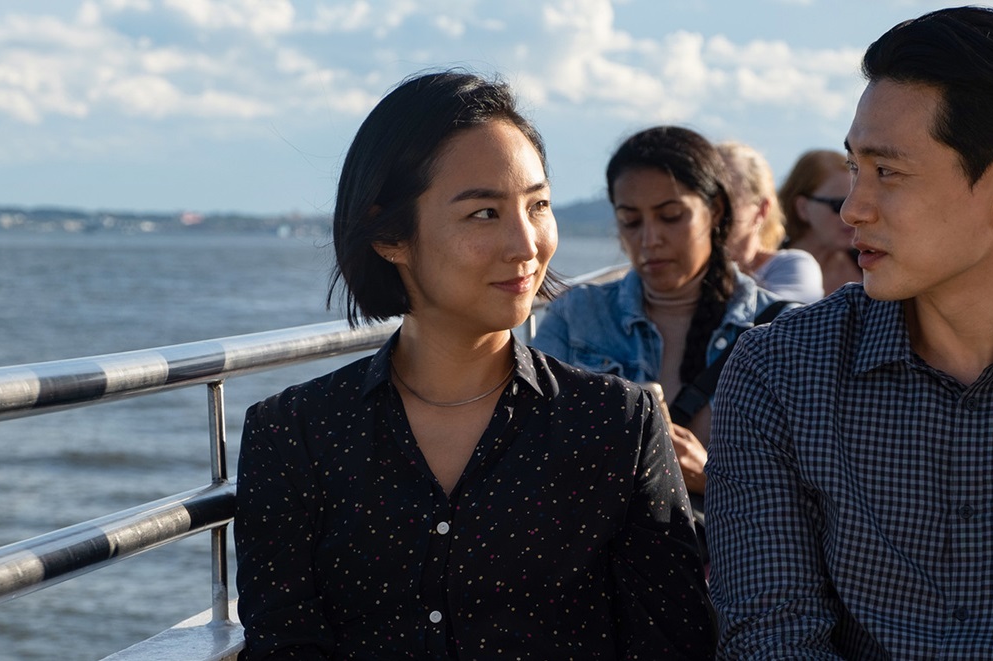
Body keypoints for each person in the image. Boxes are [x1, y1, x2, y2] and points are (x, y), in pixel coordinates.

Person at [707, 6, 993, 659]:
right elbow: (772, 637)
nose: (852, 208)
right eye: (853, 167)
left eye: (887, 171)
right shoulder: (778, 372)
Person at [233, 71, 714, 660]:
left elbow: (674, 643)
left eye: (538, 205)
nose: (526, 243)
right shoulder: (295, 435)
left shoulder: (616, 424)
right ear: (390, 234)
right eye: (484, 213)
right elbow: (285, 643)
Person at [531, 125, 783, 552]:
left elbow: (814, 495)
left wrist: (711, 476)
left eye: (671, 216)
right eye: (631, 221)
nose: (649, 239)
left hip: (727, 578)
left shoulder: (779, 329)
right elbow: (533, 453)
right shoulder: (577, 316)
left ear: (716, 211)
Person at [715, 141, 823, 302]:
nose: (711, 209)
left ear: (762, 209)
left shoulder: (792, 267)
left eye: (726, 199)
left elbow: (777, 320)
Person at [777, 149, 861, 296]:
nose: (851, 215)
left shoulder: (870, 264)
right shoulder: (769, 270)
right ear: (802, 208)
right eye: (838, 204)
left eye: (857, 203)